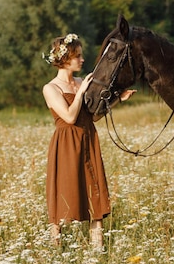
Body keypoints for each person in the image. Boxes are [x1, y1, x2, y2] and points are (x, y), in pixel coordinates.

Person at [42, 33, 134, 249]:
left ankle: (97, 250)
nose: (82, 60)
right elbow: (69, 117)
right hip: (66, 144)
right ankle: (56, 250)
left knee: (94, 191)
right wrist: (82, 90)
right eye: (78, 56)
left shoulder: (82, 81)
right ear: (65, 59)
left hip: (88, 139)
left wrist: (118, 100)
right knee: (64, 192)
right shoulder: (51, 88)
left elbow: (92, 116)